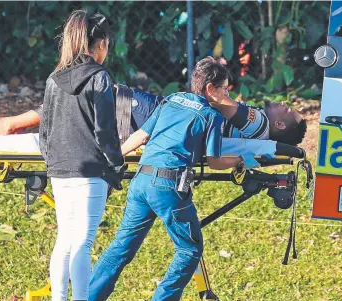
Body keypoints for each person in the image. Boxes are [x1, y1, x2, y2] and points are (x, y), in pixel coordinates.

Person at [88, 57, 259, 301]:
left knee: (121, 247)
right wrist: (241, 160)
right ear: (211, 89)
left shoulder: (171, 100)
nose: (228, 94)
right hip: (168, 186)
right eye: (225, 88)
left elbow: (141, 135)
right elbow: (215, 161)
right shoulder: (212, 115)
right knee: (190, 249)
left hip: (140, 182)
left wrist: (110, 159)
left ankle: (89, 297)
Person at [38, 10, 124, 301]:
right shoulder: (100, 78)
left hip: (60, 170)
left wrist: (52, 162)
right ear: (100, 44)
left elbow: (44, 132)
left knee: (65, 240)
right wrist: (116, 166)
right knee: (83, 243)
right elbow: (105, 132)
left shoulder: (53, 79)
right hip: (91, 172)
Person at [0, 84, 306, 146]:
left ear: (279, 124)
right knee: (93, 103)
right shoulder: (257, 129)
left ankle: (10, 124)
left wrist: (218, 89)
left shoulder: (258, 122)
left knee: (96, 96)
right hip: (170, 120)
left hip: (164, 115)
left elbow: (214, 100)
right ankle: (19, 127)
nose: (282, 104)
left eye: (287, 111)